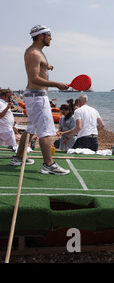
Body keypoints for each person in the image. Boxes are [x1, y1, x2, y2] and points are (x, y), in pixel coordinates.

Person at [10, 25, 70, 175]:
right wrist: (57, 84)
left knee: (30, 128)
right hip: (37, 96)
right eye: (49, 35)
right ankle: (48, 164)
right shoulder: (35, 53)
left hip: (33, 96)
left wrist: (46, 66)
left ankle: (18, 158)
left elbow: (37, 69)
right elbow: (34, 78)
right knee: (46, 132)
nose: (51, 37)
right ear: (40, 36)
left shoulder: (36, 53)